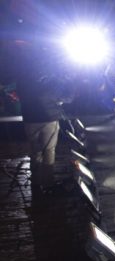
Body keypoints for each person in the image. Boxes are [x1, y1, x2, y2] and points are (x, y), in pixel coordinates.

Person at [16, 63, 74, 193]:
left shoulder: (22, 80)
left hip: (30, 119)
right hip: (49, 119)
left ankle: (35, 182)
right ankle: (48, 183)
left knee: (34, 152)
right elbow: (65, 97)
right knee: (48, 151)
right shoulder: (51, 80)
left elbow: (20, 96)